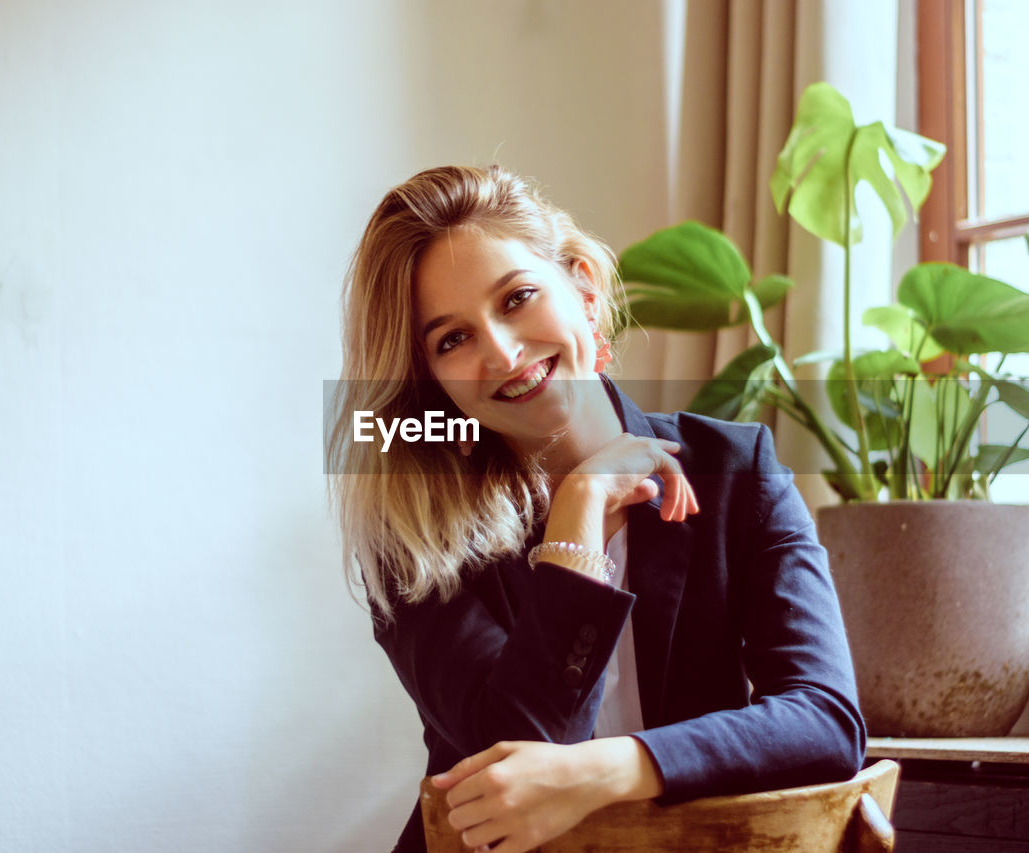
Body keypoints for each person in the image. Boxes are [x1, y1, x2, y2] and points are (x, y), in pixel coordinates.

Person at [328, 165, 865, 853]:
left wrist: (607, 771)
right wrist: (577, 514)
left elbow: (825, 720)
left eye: (517, 297)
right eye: (451, 340)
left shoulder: (736, 471)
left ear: (581, 284)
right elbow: (517, 744)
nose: (501, 349)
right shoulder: (413, 537)